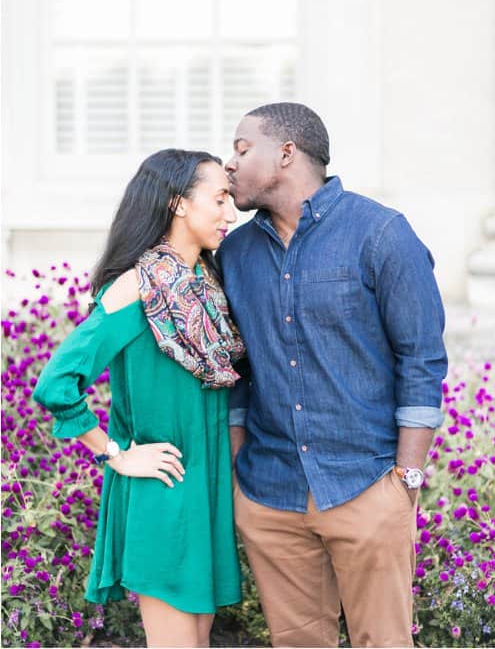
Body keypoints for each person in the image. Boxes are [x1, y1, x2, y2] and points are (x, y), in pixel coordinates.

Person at [218, 102, 447, 647]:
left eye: (242, 149)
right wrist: (236, 475)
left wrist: (405, 483)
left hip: (366, 485)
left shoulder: (382, 235)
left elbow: (422, 360)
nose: (229, 164)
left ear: (286, 154)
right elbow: (236, 372)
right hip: (269, 492)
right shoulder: (235, 252)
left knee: (384, 643)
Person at [33, 149, 244, 648]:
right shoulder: (136, 288)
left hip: (207, 489)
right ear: (178, 204)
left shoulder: (206, 285)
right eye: (219, 199)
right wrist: (117, 455)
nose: (231, 213)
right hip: (164, 487)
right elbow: (56, 382)